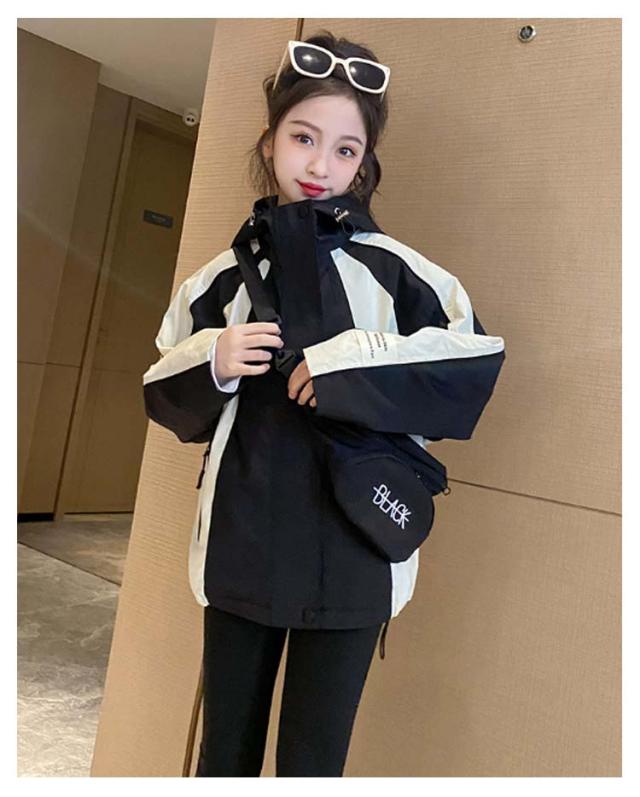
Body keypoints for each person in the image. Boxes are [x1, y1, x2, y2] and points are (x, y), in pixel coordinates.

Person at [142, 30, 505, 778]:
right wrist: (213, 360)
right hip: (240, 547)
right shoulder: (218, 281)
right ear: (270, 141)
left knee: (313, 766)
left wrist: (346, 365)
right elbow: (163, 392)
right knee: (223, 759)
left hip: (353, 556)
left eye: (345, 150)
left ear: (364, 164)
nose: (319, 165)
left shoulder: (403, 274)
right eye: (303, 138)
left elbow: (471, 367)